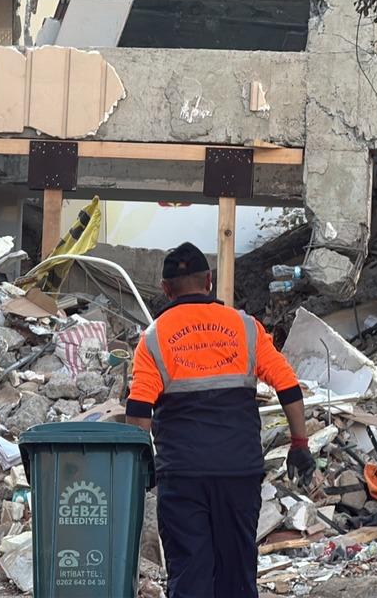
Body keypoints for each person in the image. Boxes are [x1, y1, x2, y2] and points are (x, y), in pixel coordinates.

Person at [125, 242, 314, 598]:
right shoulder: (245, 328)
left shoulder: (153, 339)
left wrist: (142, 465)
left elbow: (139, 412)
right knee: (238, 571)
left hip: (183, 474)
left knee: (190, 570)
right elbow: (288, 386)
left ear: (165, 289)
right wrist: (300, 444)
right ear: (209, 281)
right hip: (238, 471)